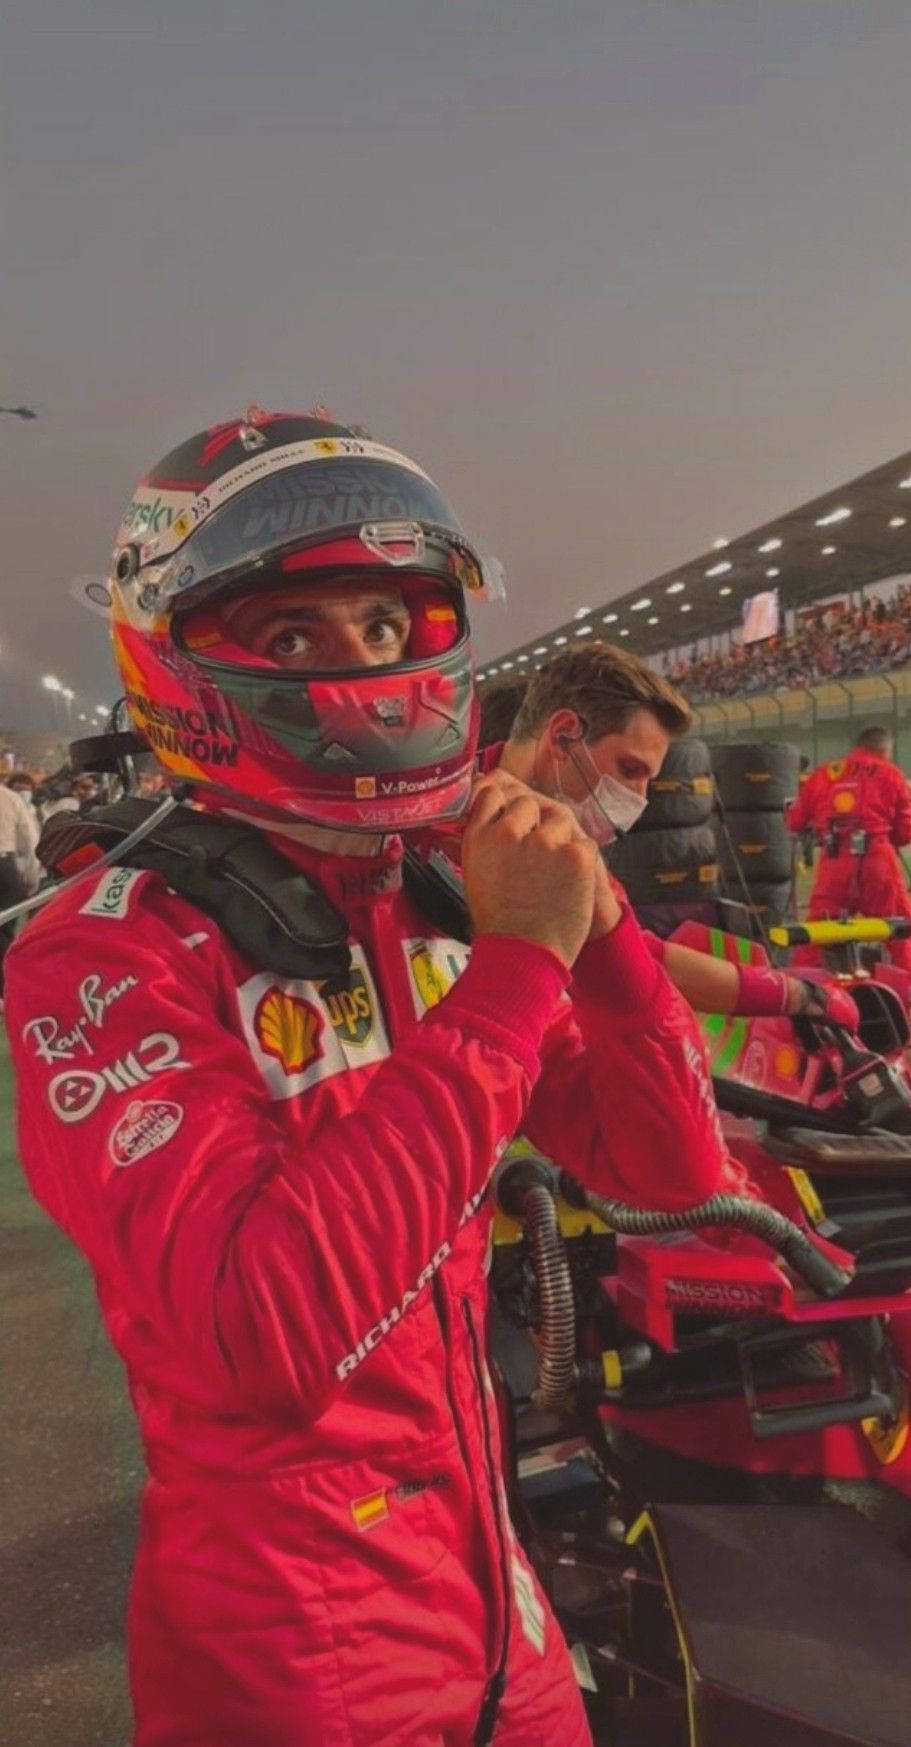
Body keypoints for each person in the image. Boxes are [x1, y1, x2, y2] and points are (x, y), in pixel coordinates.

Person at [4, 410, 729, 1747]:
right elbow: (259, 1333)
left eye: (383, 627)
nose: (361, 668)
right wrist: (516, 973)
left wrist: (597, 919)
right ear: (185, 661)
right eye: (293, 636)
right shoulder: (104, 948)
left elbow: (670, 1172)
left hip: (485, 1588)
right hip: (287, 1654)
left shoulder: (435, 901)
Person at [475, 641, 858, 1030]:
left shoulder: (568, 852)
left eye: (649, 779)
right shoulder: (439, 840)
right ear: (563, 737)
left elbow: (639, 958)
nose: (639, 798)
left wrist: (791, 994)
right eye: (629, 769)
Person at [786, 726, 911, 971]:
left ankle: (801, 991)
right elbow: (906, 831)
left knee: (816, 935)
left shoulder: (824, 774)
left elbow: (794, 821)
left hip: (834, 862)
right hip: (877, 862)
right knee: (901, 931)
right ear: (884, 750)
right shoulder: (891, 774)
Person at [0, 779, 41, 997]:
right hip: (5, 868)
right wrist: (32, 877)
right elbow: (30, 839)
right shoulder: (10, 798)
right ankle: (8, 989)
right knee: (5, 931)